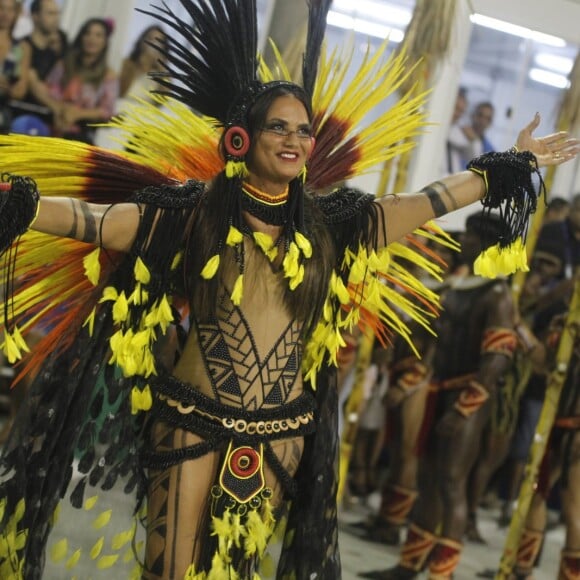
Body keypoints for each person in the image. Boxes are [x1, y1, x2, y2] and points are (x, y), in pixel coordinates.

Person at [0, 1, 577, 578]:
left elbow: (426, 201)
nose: (294, 140)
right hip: (189, 423)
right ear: (240, 138)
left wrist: (507, 165)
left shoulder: (333, 226)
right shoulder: (192, 216)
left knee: (242, 571)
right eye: (278, 126)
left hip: (283, 433)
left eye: (303, 130)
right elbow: (94, 220)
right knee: (170, 572)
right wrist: (18, 202)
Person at [360, 212, 523, 579]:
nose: (461, 242)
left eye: (468, 236)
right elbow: (431, 342)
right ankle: (409, 564)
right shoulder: (456, 290)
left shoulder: (497, 295)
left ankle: (442, 572)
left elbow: (496, 359)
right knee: (429, 478)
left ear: (484, 243)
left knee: (451, 482)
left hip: (467, 398)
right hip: (439, 390)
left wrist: (464, 409)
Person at [32, 17, 118, 143]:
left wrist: (78, 114)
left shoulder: (109, 76)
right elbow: (47, 90)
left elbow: (107, 111)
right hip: (50, 124)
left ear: (105, 42)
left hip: (80, 134)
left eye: (98, 35)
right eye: (87, 33)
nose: (92, 39)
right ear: (81, 37)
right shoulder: (64, 64)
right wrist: (58, 109)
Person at [10, 0, 66, 134]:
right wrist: (57, 108)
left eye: (57, 13)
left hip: (47, 123)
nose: (56, 18)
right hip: (17, 118)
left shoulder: (58, 56)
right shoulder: (20, 47)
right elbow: (29, 79)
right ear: (35, 16)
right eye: (50, 13)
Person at [0, 0, 31, 132]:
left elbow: (20, 90)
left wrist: (10, 89)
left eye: (10, 10)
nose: (5, 14)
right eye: (1, 8)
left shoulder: (22, 48)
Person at [445, 86, 469, 174]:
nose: (458, 114)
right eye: (456, 108)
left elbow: (470, 154)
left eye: (461, 111)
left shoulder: (457, 133)